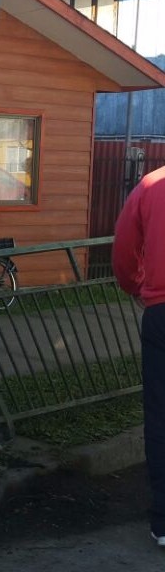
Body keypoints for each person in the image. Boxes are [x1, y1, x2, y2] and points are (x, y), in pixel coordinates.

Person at [113, 164, 165, 546]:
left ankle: (163, 522)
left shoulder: (149, 185)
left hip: (161, 313)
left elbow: (124, 250)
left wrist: (135, 285)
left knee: (161, 415)